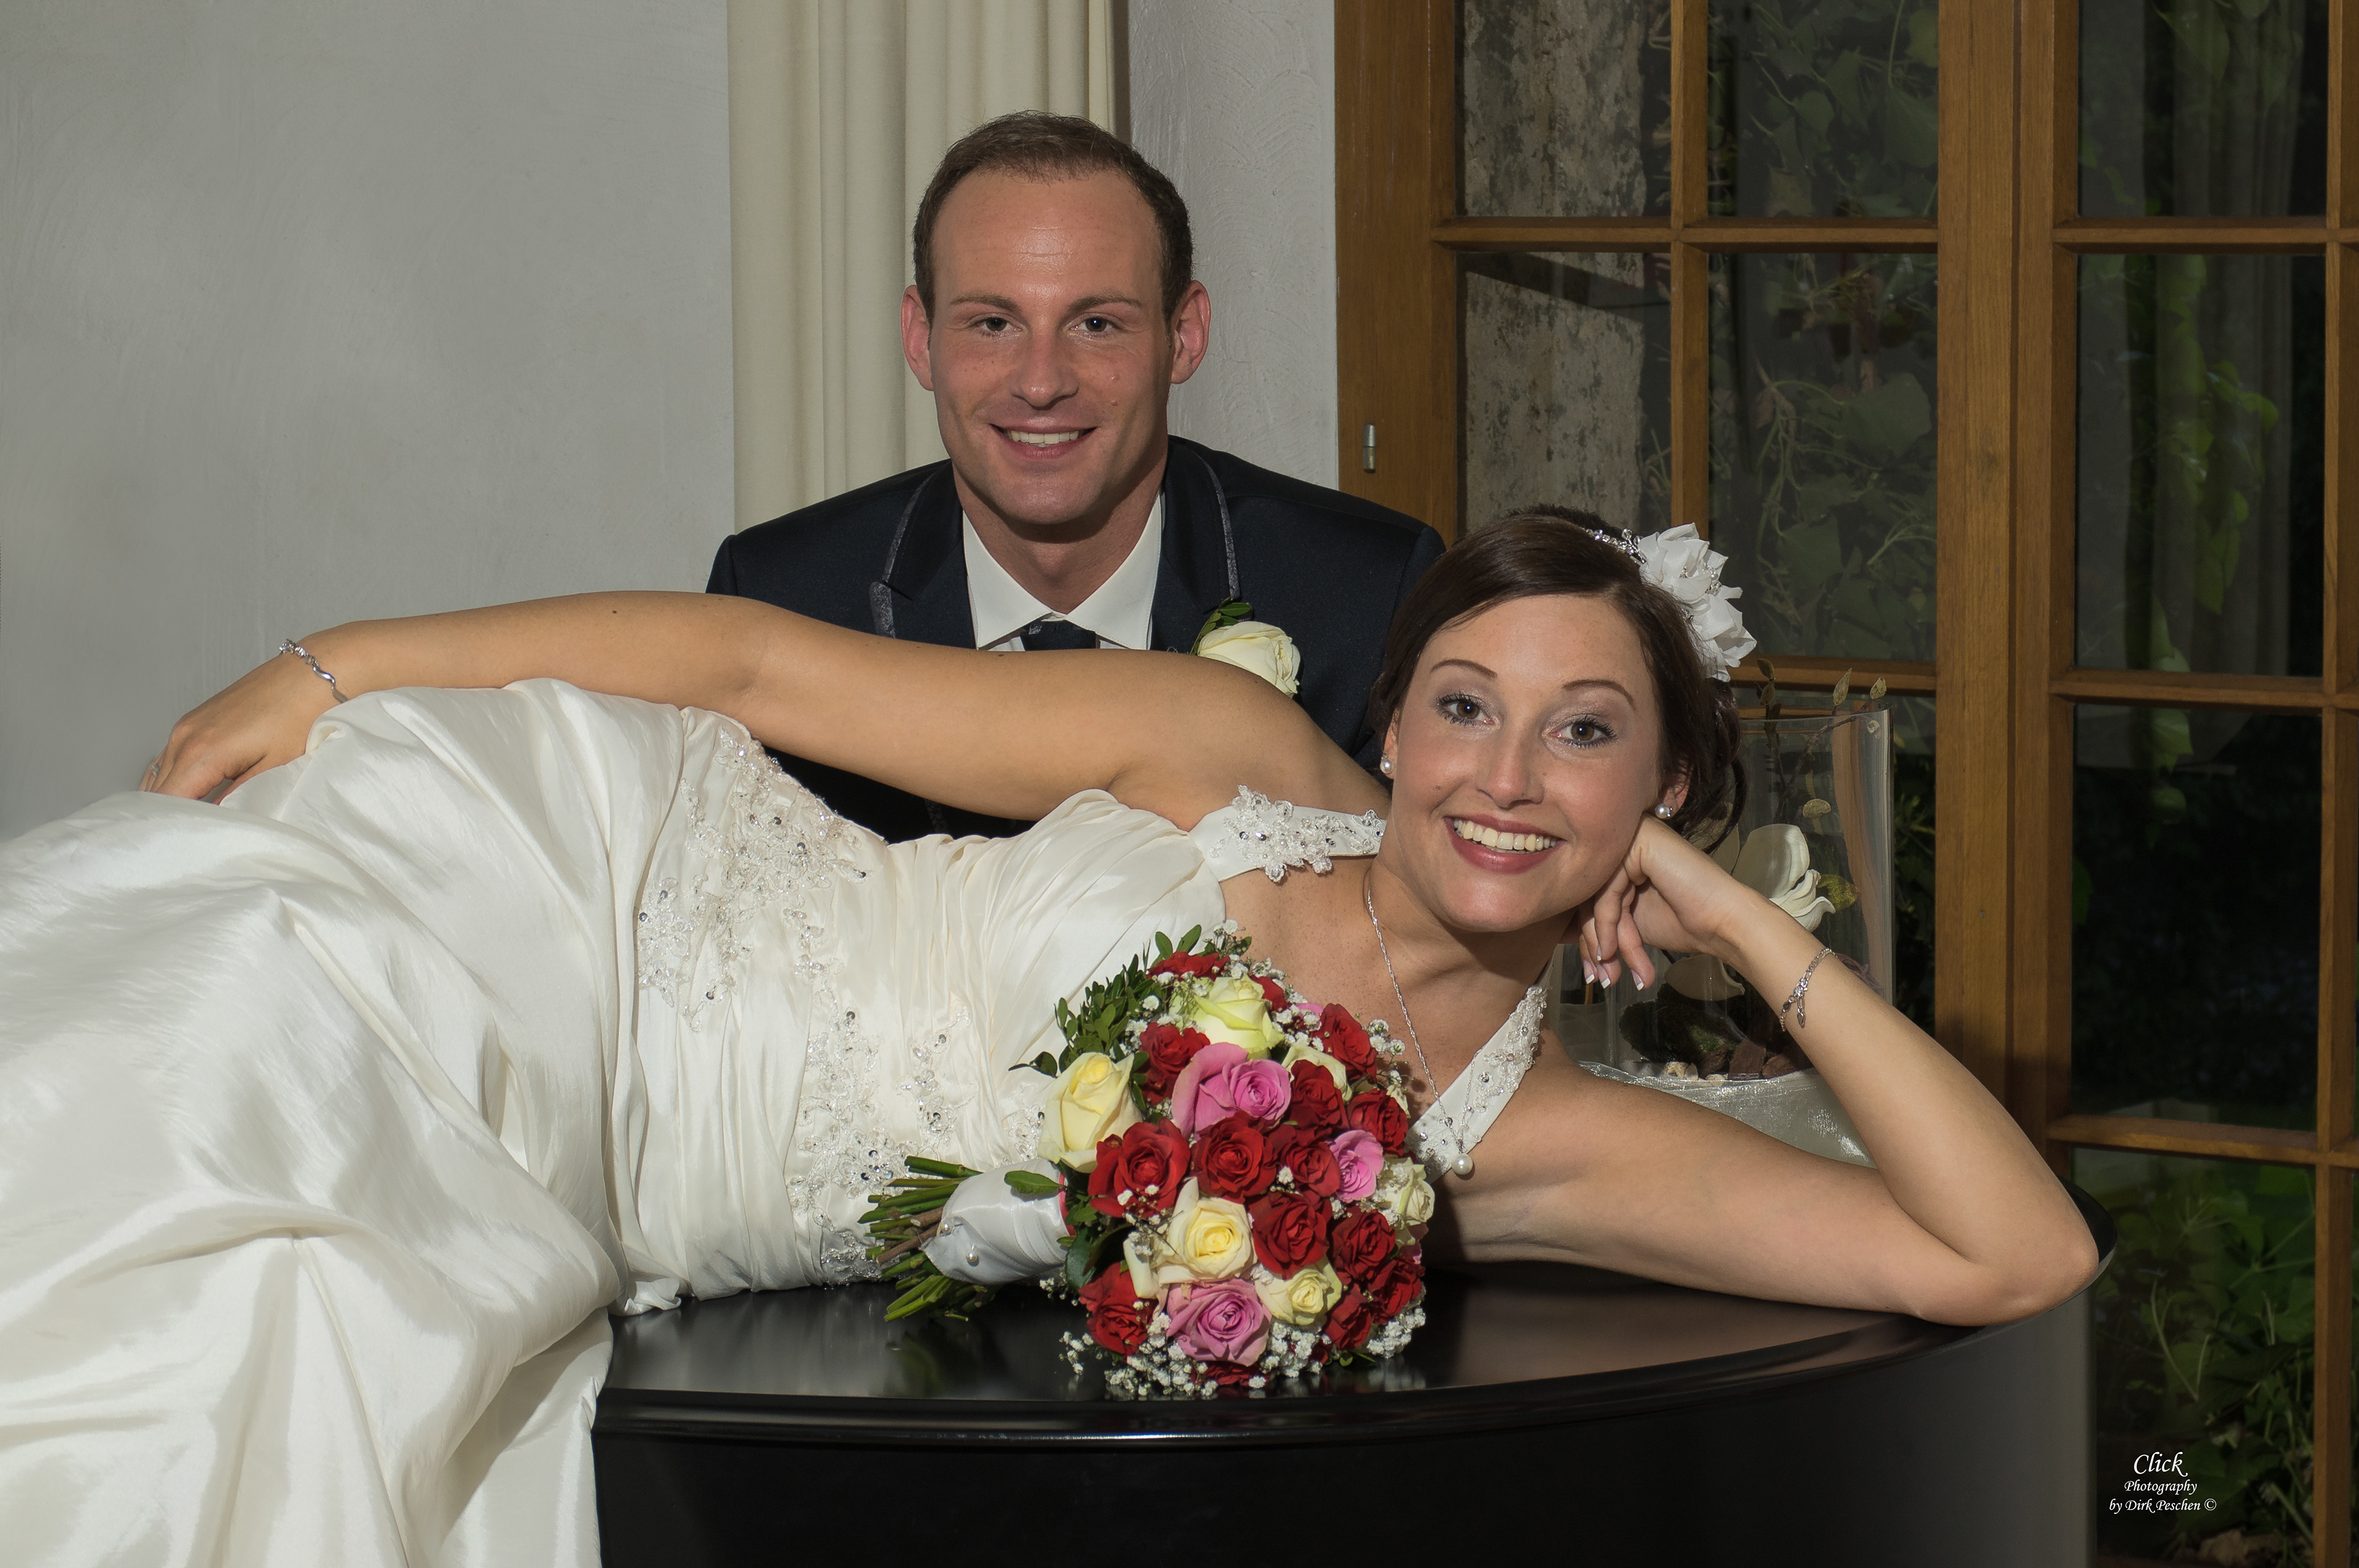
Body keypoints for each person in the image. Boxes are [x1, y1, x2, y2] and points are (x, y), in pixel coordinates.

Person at [4, 518, 2095, 1567]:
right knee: (214, 1014)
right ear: (1390, 725)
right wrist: (333, 668)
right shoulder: (1216, 748)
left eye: (1587, 732)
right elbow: (754, 666)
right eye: (1465, 705)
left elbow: (2013, 1254)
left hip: (646, 1174)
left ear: (1665, 786)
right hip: (610, 897)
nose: (1505, 775)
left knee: (262, 1315)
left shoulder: (1527, 1138)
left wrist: (1740, 921)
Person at [706, 111, 1444, 840]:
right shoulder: (780, 595)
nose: (1040, 383)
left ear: (1184, 336)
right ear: (921, 338)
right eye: (993, 323)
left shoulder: (1371, 596)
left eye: (1096, 325)